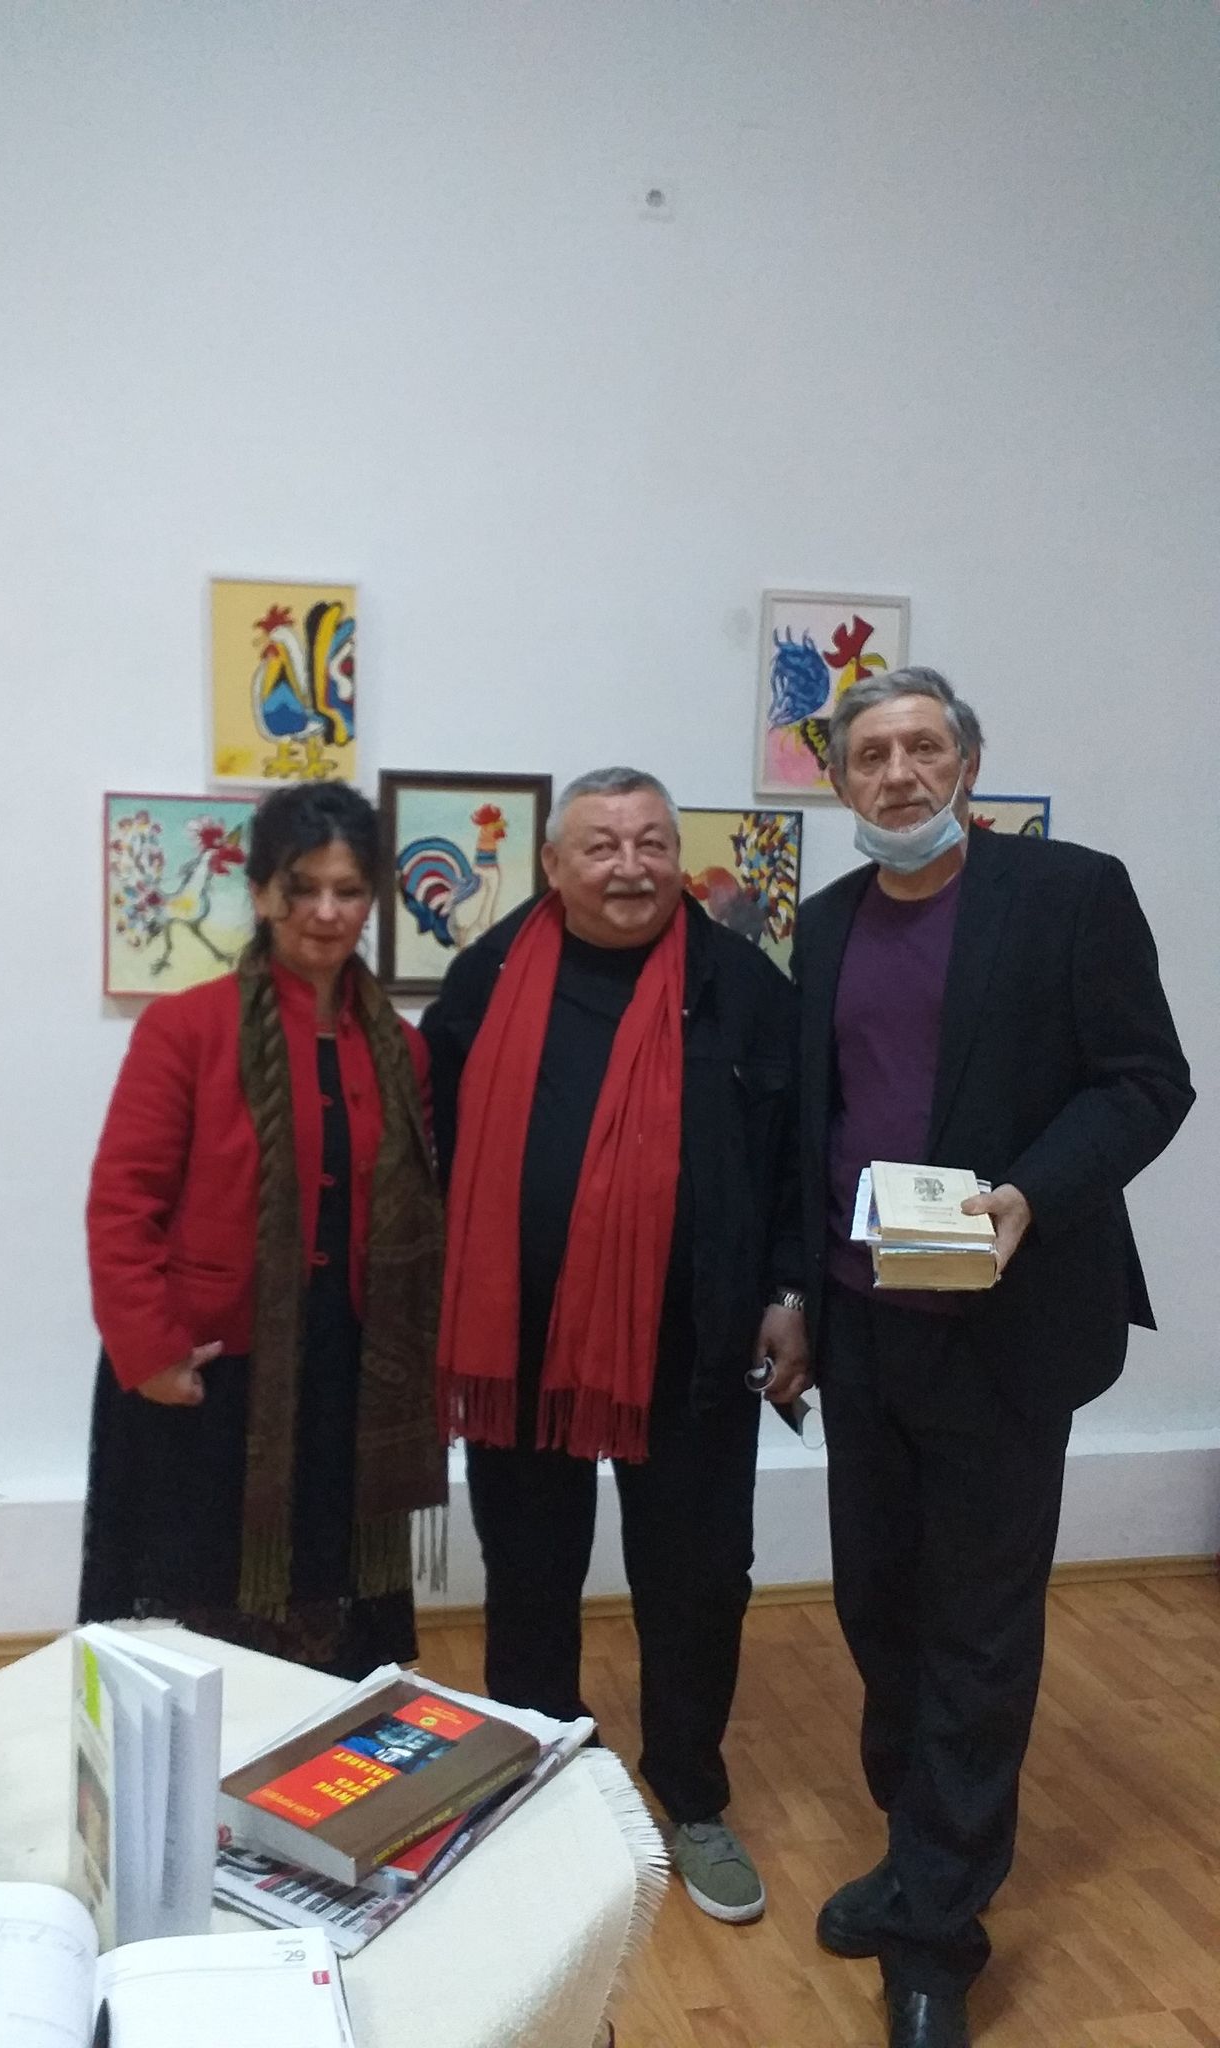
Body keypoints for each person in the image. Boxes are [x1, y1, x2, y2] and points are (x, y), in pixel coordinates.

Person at [794, 669, 1193, 2048]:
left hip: (1006, 1333)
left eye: (923, 747)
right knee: (878, 1610)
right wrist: (795, 1297)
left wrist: (1030, 1193)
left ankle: (934, 1937)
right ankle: (920, 1852)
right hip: (863, 1326)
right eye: (870, 755)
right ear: (839, 781)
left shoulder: (1070, 894)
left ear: (968, 760)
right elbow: (816, 1120)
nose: (898, 773)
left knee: (975, 1629)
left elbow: (1146, 1082)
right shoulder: (825, 923)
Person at [422, 766, 807, 1923]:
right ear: (553, 863)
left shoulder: (742, 984)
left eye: (651, 841)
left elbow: (799, 1155)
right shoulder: (489, 975)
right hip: (521, 1347)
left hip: (695, 1345)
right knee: (530, 1571)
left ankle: (691, 1793)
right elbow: (427, 1144)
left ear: (677, 856)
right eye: (601, 844)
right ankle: (534, 1782)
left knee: (698, 1579)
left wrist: (791, 1291)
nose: (630, 865)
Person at [79, 781, 444, 1679]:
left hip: (350, 1375)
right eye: (301, 887)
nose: (325, 912)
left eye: (347, 890)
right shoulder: (185, 1029)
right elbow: (123, 1202)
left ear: (372, 900)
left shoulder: (399, 1048)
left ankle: (315, 1753)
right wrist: (148, 1351)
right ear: (260, 890)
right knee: (198, 1617)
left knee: (328, 1613)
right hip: (210, 1375)